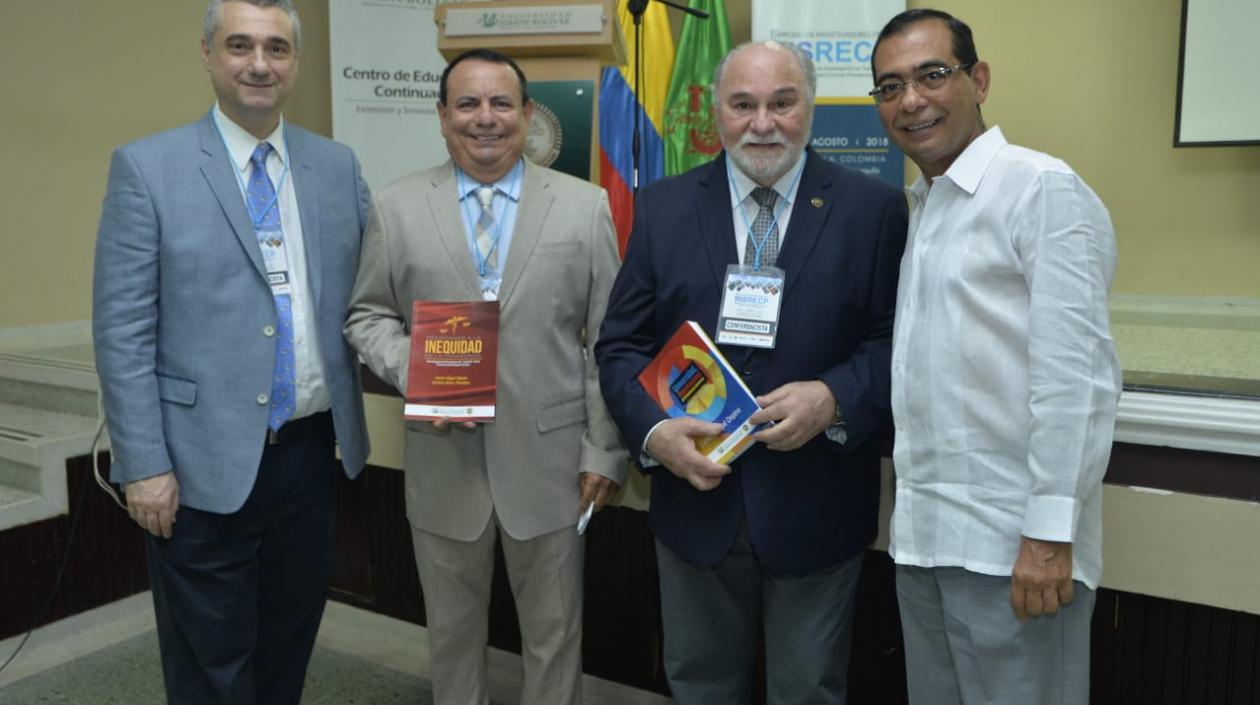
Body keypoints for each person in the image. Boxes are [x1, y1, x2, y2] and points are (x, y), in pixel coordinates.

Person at [595, 41, 908, 705]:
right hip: (693, 502)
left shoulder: (874, 210)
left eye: (782, 102)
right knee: (701, 686)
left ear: (810, 108)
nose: (762, 122)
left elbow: (896, 342)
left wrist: (832, 396)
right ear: (717, 112)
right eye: (743, 104)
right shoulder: (662, 208)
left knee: (809, 690)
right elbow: (620, 344)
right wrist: (654, 435)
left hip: (817, 503)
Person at [91, 1, 371, 703]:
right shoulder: (147, 169)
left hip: (309, 455)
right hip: (194, 464)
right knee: (211, 662)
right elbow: (122, 331)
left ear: (295, 63)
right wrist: (144, 463)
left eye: (277, 48)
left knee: (288, 641)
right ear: (209, 54)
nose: (259, 63)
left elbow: (375, 291)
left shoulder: (335, 167)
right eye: (240, 45)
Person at [343, 48, 624, 705]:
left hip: (553, 464)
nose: (485, 118)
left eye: (502, 103)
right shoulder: (396, 205)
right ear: (442, 117)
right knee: (451, 636)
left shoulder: (585, 208)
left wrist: (604, 449)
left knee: (554, 639)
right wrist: (419, 371)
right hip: (444, 460)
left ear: (527, 115)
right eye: (467, 103)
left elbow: (607, 341)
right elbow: (366, 316)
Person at [869, 9, 1121, 704]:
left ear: (978, 80)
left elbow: (1078, 379)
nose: (911, 100)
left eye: (932, 75)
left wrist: (1048, 534)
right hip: (924, 542)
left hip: (1015, 554)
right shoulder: (924, 206)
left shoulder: (1040, 189)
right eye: (890, 87)